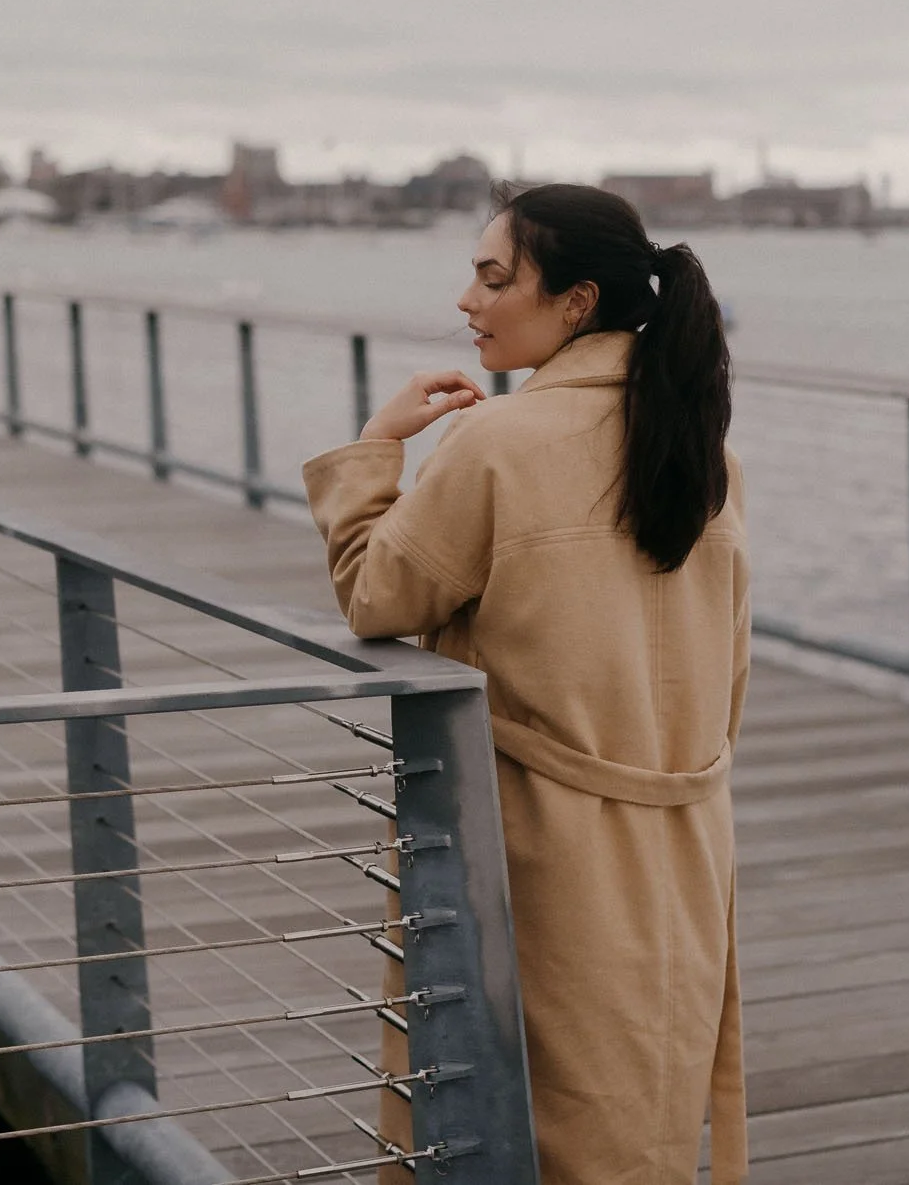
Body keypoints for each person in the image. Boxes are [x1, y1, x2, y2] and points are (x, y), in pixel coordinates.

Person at [302, 184, 748, 1185]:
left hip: (529, 839)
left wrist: (377, 449)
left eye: (494, 276)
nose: (467, 298)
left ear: (578, 300)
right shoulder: (703, 445)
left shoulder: (499, 443)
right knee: (640, 1102)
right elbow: (731, 665)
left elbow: (377, 593)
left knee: (500, 1100)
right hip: (681, 832)